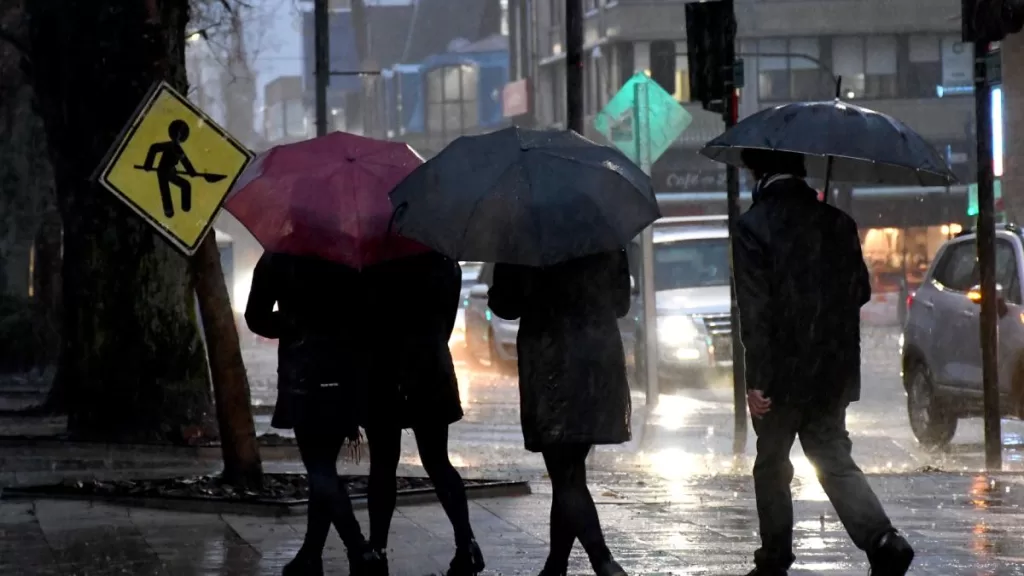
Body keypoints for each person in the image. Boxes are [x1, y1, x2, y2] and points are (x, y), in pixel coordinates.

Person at [732, 149, 915, 576]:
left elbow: (755, 309)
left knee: (772, 462)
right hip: (831, 369)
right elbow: (861, 292)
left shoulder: (752, 227)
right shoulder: (838, 222)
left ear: (758, 173)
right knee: (832, 456)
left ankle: (774, 558)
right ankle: (884, 541)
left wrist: (757, 378)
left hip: (781, 372)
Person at [488, 250, 631, 576]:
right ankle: (556, 566)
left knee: (566, 475)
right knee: (570, 472)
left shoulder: (522, 236)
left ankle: (604, 562)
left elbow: (505, 305)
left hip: (549, 364)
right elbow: (621, 304)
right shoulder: (603, 230)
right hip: (597, 363)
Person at [245, 252, 374, 576]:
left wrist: (292, 320)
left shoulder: (278, 255)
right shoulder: (348, 254)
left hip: (303, 377)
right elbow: (366, 313)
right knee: (323, 467)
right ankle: (311, 555)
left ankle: (358, 550)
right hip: (344, 376)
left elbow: (256, 317)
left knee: (319, 469)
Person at [363, 252, 484, 576]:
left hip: (384, 370)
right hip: (431, 368)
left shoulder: (374, 261)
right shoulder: (444, 262)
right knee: (437, 460)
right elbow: (445, 322)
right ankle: (466, 544)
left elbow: (363, 320)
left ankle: (377, 550)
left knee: (383, 463)